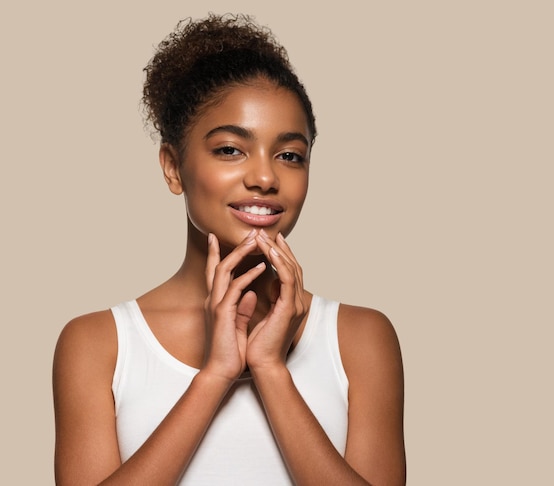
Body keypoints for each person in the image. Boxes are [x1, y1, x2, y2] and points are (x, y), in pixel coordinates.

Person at [52, 13, 406, 486]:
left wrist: (271, 369)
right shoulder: (98, 344)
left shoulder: (361, 339)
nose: (265, 177)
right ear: (173, 168)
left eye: (289, 155)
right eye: (230, 149)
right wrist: (215, 374)